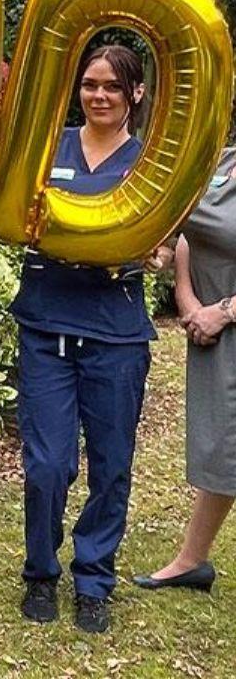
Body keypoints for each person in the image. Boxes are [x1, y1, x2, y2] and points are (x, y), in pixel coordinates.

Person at [11, 44, 166, 634]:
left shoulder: (151, 161)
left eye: (111, 86)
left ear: (136, 94)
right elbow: (12, 210)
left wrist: (158, 252)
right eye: (89, 84)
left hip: (116, 336)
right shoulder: (49, 148)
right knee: (47, 465)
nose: (98, 95)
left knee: (111, 466)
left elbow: (168, 237)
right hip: (47, 327)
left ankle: (95, 578)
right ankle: (41, 573)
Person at [133, 148, 236, 595]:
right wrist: (189, 302)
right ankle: (191, 561)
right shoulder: (221, 161)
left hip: (225, 319)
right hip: (216, 330)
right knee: (223, 448)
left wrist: (226, 311)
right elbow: (189, 233)